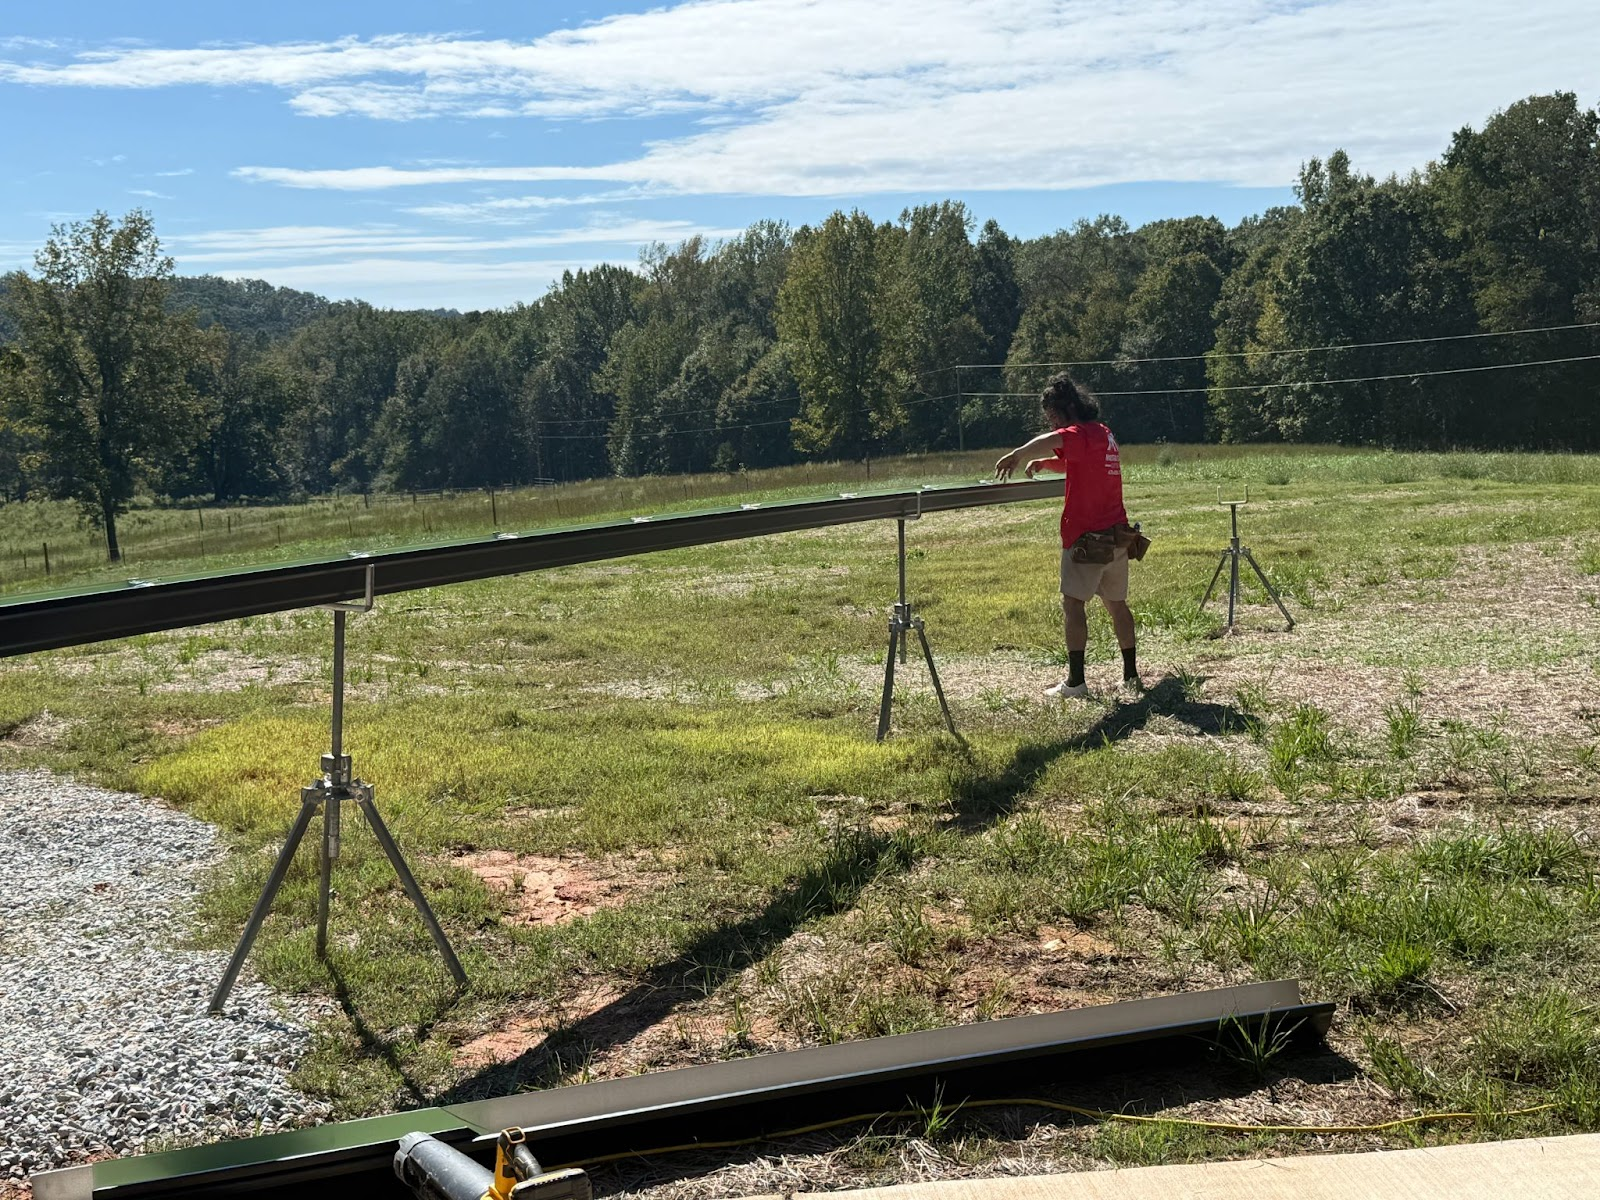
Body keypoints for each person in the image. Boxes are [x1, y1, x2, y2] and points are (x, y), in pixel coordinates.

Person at [994, 372, 1141, 698]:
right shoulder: (1102, 434)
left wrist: (1018, 454)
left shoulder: (1076, 433)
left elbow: (1054, 440)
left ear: (1066, 410)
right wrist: (1047, 464)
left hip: (1087, 538)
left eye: (1052, 418)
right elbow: (1077, 461)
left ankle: (1076, 682)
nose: (1052, 427)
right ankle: (1131, 676)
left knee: (1073, 605)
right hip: (1117, 533)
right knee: (1118, 605)